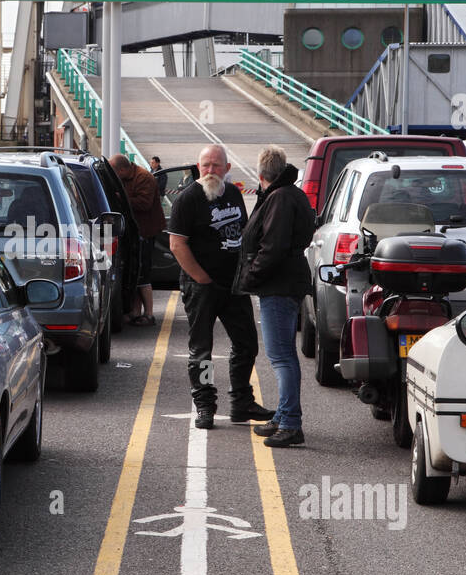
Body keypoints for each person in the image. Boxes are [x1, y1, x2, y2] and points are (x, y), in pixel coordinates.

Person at [169, 144, 273, 430]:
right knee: (201, 350)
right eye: (206, 165)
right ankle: (204, 405)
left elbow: (242, 233)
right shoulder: (187, 199)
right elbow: (177, 245)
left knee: (247, 343)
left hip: (234, 285)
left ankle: (241, 402)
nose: (211, 171)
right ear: (198, 168)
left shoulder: (234, 194)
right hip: (201, 287)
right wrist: (201, 278)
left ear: (227, 169)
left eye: (216, 165)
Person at [233, 145, 315, 448]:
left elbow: (274, 247)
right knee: (283, 355)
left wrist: (251, 275)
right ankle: (283, 416)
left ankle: (291, 422)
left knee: (282, 357)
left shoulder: (279, 198)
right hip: (286, 282)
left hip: (278, 286)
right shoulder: (290, 194)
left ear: (261, 173)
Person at [109, 153, 165, 327]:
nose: (115, 177)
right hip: (134, 232)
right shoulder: (126, 177)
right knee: (134, 273)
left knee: (143, 273)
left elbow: (144, 203)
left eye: (116, 173)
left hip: (145, 231)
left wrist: (120, 199)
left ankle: (148, 314)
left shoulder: (144, 178)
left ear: (123, 169)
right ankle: (135, 313)